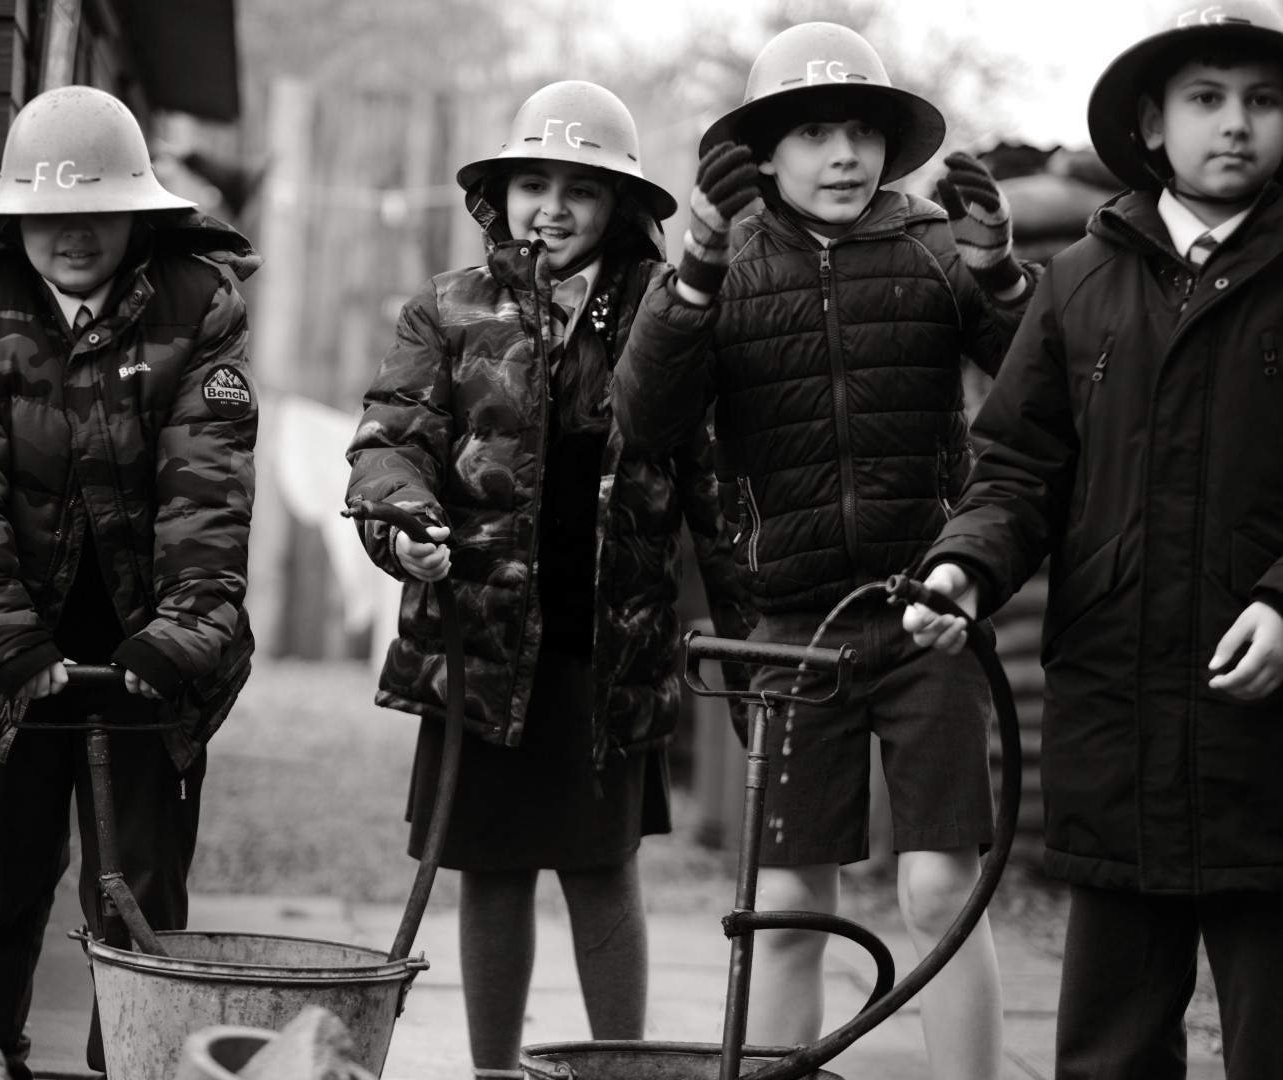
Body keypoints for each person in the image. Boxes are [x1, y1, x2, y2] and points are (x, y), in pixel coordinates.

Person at [611, 22, 1039, 1079]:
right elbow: (647, 419)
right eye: (813, 133)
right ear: (764, 153)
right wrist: (695, 273)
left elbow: (1042, 388)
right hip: (793, 631)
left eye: (861, 131)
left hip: (928, 616)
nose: (844, 155)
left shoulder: (935, 247)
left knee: (941, 888)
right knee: (791, 903)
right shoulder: (725, 263)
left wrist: (1001, 276)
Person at [902, 4, 1283, 1077]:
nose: (1237, 122)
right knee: (1109, 1054)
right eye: (1206, 99)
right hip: (1117, 723)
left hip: (1267, 748)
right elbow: (1019, 467)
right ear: (1153, 126)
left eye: (1263, 99)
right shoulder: (1081, 281)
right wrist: (964, 568)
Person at [345, 80, 753, 1079]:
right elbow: (390, 445)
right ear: (501, 196)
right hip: (483, 644)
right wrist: (404, 528)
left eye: (583, 189)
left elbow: (713, 486)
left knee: (602, 868)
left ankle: (624, 1071)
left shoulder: (668, 312)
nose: (554, 209)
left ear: (621, 205)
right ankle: (494, 1073)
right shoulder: (447, 308)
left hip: (607, 647)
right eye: (534, 184)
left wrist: (750, 641)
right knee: (490, 869)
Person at [0, 85, 260, 1080]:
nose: (72, 233)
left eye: (97, 210)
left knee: (139, 904)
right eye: (50, 211)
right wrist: (4, 640)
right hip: (14, 648)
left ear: (137, 212)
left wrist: (181, 636)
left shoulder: (197, 303)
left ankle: (134, 1067)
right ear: (16, 214)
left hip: (149, 650)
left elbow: (208, 490)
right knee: (2, 892)